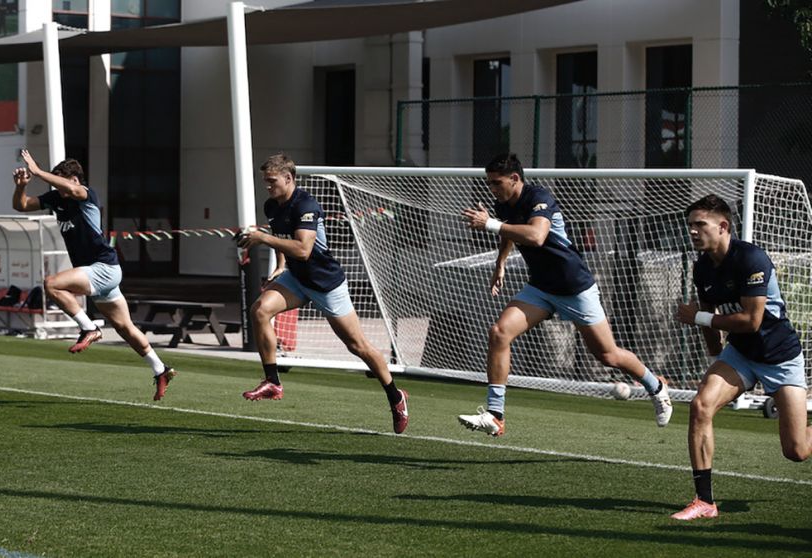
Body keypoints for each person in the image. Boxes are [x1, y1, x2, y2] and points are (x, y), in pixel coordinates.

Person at [456, 153, 673, 437]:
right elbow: (509, 234)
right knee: (499, 332)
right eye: (489, 183)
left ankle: (656, 386)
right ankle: (496, 416)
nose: (492, 188)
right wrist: (500, 263)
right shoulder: (503, 204)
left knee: (608, 355)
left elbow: (536, 236)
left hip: (574, 288)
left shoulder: (539, 197)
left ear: (515, 179)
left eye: (496, 182)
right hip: (541, 288)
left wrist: (490, 224)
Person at [235, 153, 409, 434]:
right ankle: (273, 382)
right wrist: (280, 266)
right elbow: (283, 239)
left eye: (271, 181)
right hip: (296, 279)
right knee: (260, 310)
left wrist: (263, 238)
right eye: (265, 182)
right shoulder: (272, 205)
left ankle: (395, 396)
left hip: (325, 283)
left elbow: (303, 250)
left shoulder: (306, 204)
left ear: (288, 178)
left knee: (358, 346)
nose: (267, 186)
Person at [671, 194, 810, 520]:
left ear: (723, 226)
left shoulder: (751, 259)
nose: (692, 231)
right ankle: (704, 502)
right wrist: (715, 359)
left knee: (797, 451)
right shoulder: (702, 267)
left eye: (699, 224)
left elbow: (752, 321)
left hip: (780, 357)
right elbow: (707, 314)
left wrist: (700, 319)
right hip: (741, 354)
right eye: (690, 225)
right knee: (700, 405)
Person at [12, 149, 176, 400]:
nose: (59, 189)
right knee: (125, 328)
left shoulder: (86, 195)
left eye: (62, 182)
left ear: (75, 180)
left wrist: (37, 171)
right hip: (99, 273)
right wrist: (21, 187)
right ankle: (160, 369)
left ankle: (89, 328)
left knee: (52, 284)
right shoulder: (57, 198)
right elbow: (21, 206)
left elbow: (73, 190)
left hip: (103, 268)